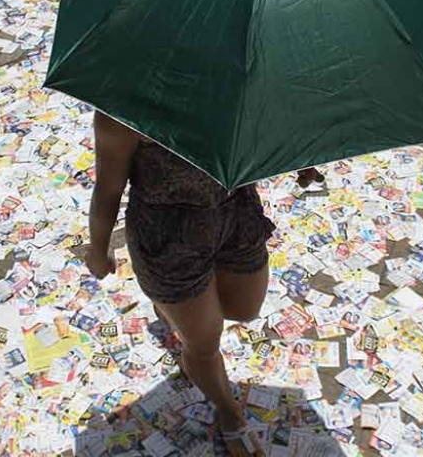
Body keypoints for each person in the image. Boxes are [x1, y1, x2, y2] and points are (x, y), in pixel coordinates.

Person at [84, 112, 322, 457]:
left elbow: (273, 114)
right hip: (166, 235)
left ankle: (172, 308)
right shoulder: (122, 110)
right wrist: (97, 246)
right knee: (204, 344)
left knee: (244, 309)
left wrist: (300, 157)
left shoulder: (242, 77)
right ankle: (229, 413)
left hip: (236, 210)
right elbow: (108, 188)